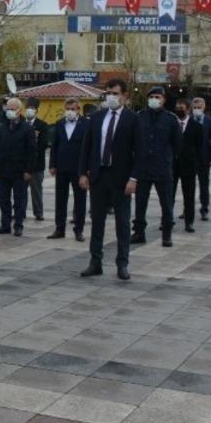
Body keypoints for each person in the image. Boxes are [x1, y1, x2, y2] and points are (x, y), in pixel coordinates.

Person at [79, 78, 145, 280]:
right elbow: (86, 147)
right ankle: (95, 261)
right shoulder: (97, 118)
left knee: (122, 223)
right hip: (99, 176)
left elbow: (140, 152)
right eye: (108, 93)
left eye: (115, 93)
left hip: (121, 178)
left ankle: (122, 263)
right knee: (97, 221)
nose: (111, 97)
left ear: (124, 96)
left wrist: (134, 178)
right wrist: (83, 173)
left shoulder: (133, 119)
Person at [132, 86, 181, 248]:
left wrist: (169, 161)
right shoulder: (139, 117)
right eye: (152, 96)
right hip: (143, 167)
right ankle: (139, 232)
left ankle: (166, 234)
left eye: (158, 97)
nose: (154, 99)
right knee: (140, 203)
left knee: (166, 203)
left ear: (164, 99)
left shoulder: (171, 119)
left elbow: (177, 145)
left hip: (162, 167)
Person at [0, 97, 36, 236]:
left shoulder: (27, 128)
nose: (9, 111)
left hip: (20, 171)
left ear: (19, 110)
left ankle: (18, 225)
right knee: (4, 199)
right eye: (8, 108)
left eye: (12, 109)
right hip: (3, 170)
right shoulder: (1, 127)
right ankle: (5, 225)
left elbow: (32, 151)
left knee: (19, 200)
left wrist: (29, 170)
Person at [48, 98, 87, 241]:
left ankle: (79, 230)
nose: (70, 111)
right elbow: (55, 146)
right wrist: (52, 164)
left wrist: (87, 169)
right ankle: (59, 229)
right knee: (60, 199)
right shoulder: (59, 124)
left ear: (78, 110)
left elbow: (89, 147)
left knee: (80, 200)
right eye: (68, 108)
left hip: (79, 168)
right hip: (62, 167)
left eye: (73, 109)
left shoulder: (86, 124)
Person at [172, 97, 207, 233]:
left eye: (182, 107)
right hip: (172, 165)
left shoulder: (197, 126)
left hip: (189, 165)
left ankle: (189, 222)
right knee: (169, 194)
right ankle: (167, 220)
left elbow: (199, 147)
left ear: (188, 109)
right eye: (177, 107)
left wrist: (198, 164)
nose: (179, 110)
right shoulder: (172, 123)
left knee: (189, 195)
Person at [192, 97, 211, 221]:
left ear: (204, 107)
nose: (197, 110)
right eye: (195, 107)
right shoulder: (188, 120)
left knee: (204, 185)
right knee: (188, 185)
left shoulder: (210, 122)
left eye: (199, 107)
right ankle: (187, 209)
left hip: (204, 158)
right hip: (190, 158)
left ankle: (204, 209)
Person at [24, 106, 50, 222]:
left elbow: (43, 144)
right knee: (20, 191)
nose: (30, 110)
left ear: (36, 111)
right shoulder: (21, 123)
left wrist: (31, 150)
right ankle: (20, 211)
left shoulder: (42, 125)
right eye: (28, 108)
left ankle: (38, 212)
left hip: (37, 164)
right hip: (22, 164)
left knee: (36, 191)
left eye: (32, 108)